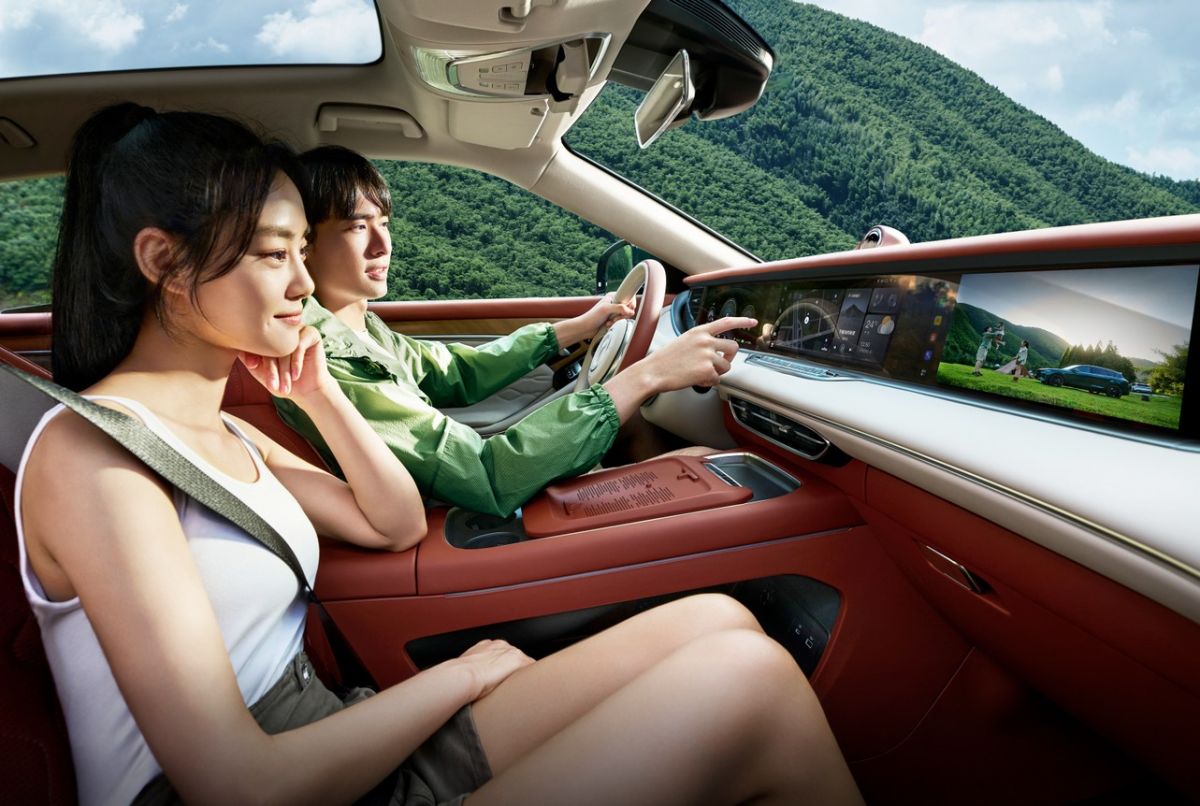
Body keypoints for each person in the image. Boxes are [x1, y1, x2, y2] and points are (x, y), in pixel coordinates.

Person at [16, 103, 862, 805]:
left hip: (331, 746)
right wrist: (459, 678)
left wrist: (320, 395)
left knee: (717, 620)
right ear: (164, 262)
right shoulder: (99, 461)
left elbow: (389, 523)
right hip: (275, 781)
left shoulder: (225, 433)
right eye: (275, 256)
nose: (304, 287)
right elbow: (239, 784)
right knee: (749, 682)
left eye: (303, 253)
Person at [275, 146, 753, 517]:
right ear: (304, 245)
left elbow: (454, 373)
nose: (384, 245)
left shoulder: (357, 326)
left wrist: (571, 330)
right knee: (709, 469)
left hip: (457, 501)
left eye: (384, 223)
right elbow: (486, 475)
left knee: (646, 439)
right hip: (457, 523)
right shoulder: (326, 359)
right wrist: (647, 376)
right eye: (357, 228)